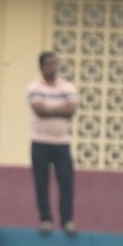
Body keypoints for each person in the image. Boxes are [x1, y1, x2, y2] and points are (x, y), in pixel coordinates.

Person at [28, 51, 79, 235]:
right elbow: (39, 111)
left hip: (62, 142)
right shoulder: (34, 87)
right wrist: (60, 108)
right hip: (40, 141)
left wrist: (50, 108)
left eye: (55, 63)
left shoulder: (68, 87)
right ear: (41, 67)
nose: (53, 67)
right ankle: (46, 220)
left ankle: (67, 221)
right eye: (49, 64)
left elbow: (71, 110)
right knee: (41, 183)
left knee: (66, 182)